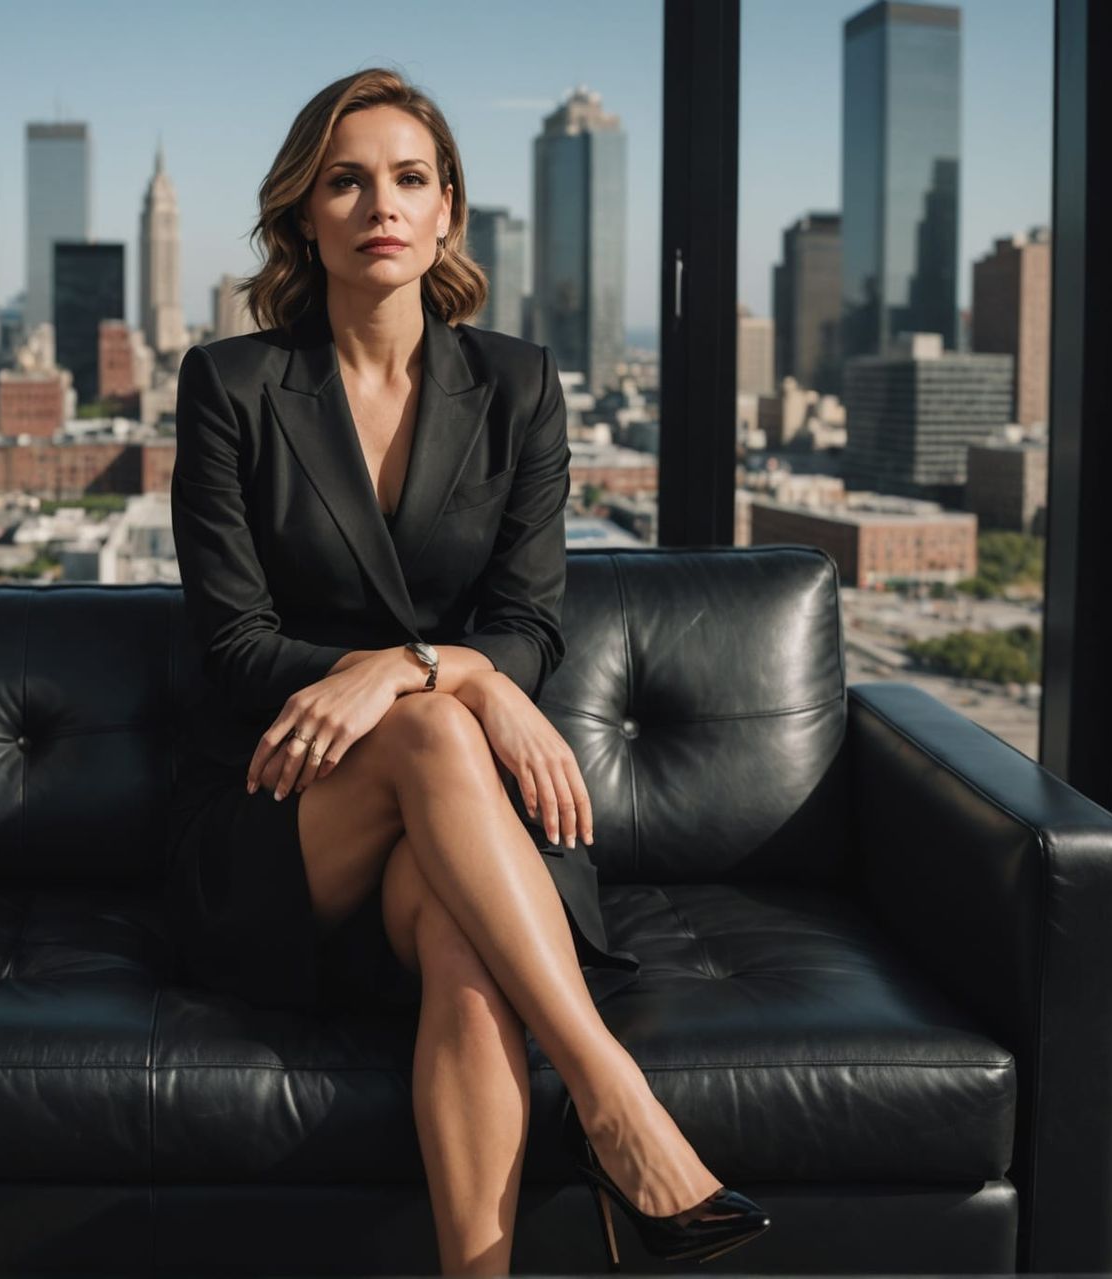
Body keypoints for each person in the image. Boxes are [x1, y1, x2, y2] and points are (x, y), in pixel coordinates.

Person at [162, 67, 769, 1276]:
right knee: (439, 736)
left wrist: (433, 670)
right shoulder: (230, 387)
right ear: (303, 215)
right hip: (286, 815)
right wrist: (457, 687)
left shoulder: (519, 383)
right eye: (345, 180)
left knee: (463, 946)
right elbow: (233, 648)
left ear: (446, 212)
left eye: (408, 178)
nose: (378, 203)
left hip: (468, 829)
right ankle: (616, 1098)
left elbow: (531, 629)